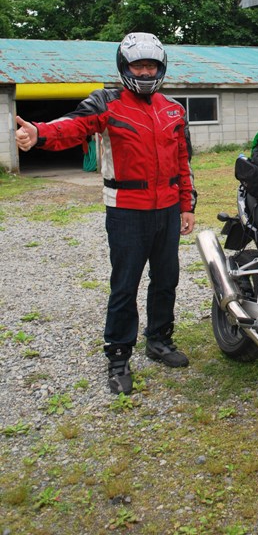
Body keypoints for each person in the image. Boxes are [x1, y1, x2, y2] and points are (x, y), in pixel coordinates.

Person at [15, 32, 197, 395]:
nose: (145, 72)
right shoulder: (106, 102)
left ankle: (159, 340)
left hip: (166, 210)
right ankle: (118, 356)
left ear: (161, 68)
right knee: (125, 285)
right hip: (127, 212)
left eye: (151, 66)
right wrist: (40, 133)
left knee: (166, 279)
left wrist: (186, 205)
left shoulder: (174, 109)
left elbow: (183, 161)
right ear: (124, 67)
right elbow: (74, 125)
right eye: (138, 65)